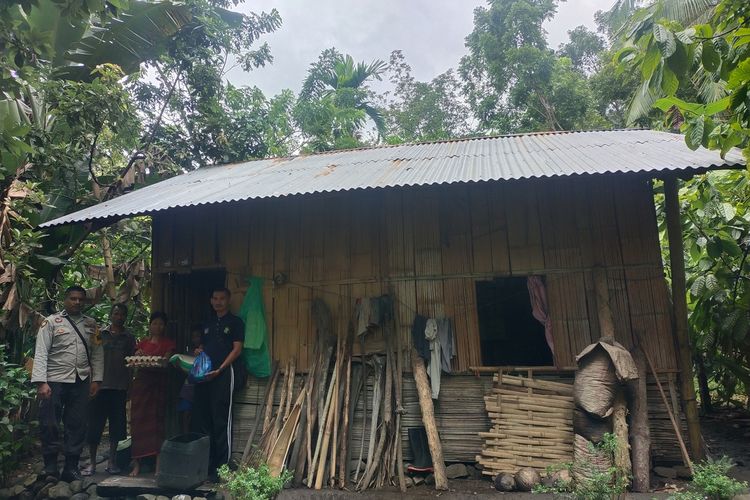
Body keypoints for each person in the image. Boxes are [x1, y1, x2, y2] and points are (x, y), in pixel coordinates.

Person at [31, 285, 103, 481]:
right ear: (65, 299)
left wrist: (96, 379)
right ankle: (51, 467)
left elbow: (97, 353)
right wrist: (41, 382)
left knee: (77, 423)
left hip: (80, 380)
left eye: (80, 299)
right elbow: (41, 352)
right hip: (54, 380)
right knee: (49, 423)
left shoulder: (91, 325)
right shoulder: (52, 322)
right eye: (73, 298)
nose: (77, 302)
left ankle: (71, 467)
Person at [191, 287, 244, 477]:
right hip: (205, 376)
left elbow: (237, 350)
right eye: (215, 298)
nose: (218, 301)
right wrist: (199, 351)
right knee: (204, 421)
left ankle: (222, 468)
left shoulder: (236, 322)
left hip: (223, 374)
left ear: (228, 301)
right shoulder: (207, 324)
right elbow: (204, 347)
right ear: (211, 301)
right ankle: (208, 465)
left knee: (221, 420)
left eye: (222, 298)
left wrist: (220, 369)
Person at [82, 303, 135, 476]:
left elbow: (130, 364)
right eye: (116, 313)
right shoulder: (100, 334)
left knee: (117, 428)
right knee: (94, 426)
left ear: (125, 317)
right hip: (99, 386)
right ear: (111, 315)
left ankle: (111, 462)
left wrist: (130, 386)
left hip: (119, 387)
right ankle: (92, 463)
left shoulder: (129, 338)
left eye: (122, 314)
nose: (119, 317)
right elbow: (91, 357)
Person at [129, 311, 175, 476]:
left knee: (157, 425)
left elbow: (166, 361)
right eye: (155, 323)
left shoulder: (168, 343)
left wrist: (158, 360)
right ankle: (137, 464)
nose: (158, 326)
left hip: (158, 386)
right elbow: (135, 359)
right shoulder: (141, 343)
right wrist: (139, 355)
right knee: (137, 424)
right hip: (141, 386)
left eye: (161, 324)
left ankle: (158, 466)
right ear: (150, 325)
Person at [177, 325, 203, 434]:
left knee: (200, 415)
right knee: (186, 413)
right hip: (188, 389)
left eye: (198, 336)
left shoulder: (207, 352)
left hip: (202, 388)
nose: (196, 339)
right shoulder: (188, 354)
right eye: (193, 337)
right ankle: (185, 436)